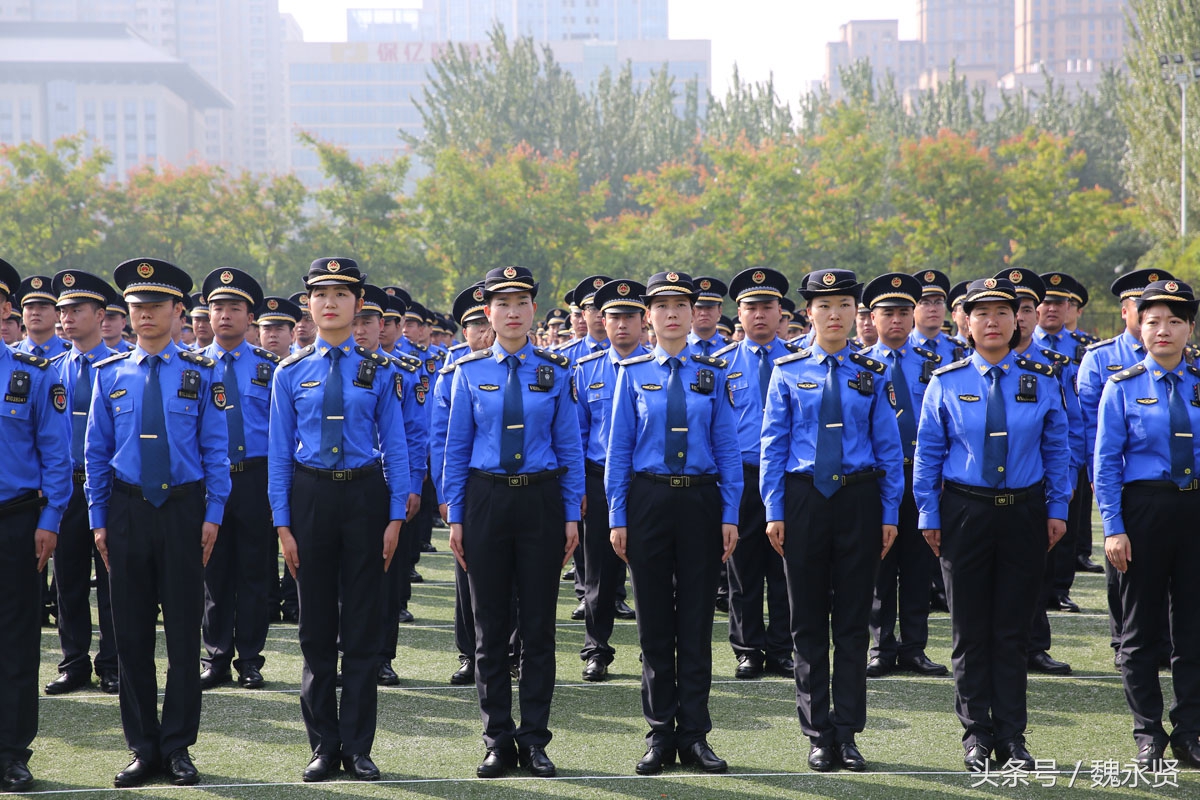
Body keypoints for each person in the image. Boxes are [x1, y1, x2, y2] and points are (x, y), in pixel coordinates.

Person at [913, 276, 1070, 773]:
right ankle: (976, 733)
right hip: (965, 512)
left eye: (1003, 312)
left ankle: (1012, 736)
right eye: (982, 314)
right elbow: (929, 455)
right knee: (969, 630)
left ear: (1017, 320)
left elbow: (1057, 450)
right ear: (966, 323)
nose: (993, 322)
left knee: (1012, 631)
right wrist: (928, 512)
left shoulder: (1041, 377)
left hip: (1024, 511)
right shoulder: (947, 380)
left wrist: (1057, 508)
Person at [86, 258, 231, 788]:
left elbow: (216, 451)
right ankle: (142, 747)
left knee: (183, 639)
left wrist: (213, 515)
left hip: (183, 510)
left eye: (155, 306)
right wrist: (99, 521)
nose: (144, 315)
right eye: (136, 307)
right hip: (125, 511)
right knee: (130, 635)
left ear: (177, 311)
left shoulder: (203, 373)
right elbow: (96, 454)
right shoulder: (110, 374)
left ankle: (177, 747)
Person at [268, 258, 408, 783]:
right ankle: (324, 745)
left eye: (341, 294)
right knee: (316, 629)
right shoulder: (290, 371)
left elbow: (395, 447)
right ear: (309, 304)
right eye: (320, 293)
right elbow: (279, 452)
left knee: (363, 630)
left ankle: (359, 746)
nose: (330, 302)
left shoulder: (380, 369)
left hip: (365, 498)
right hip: (310, 498)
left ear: (357, 305)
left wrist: (396, 516)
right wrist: (283, 524)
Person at [443, 266, 583, 779]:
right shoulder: (467, 371)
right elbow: (455, 451)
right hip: (485, 500)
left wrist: (571, 513)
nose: (513, 311)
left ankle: (535, 738)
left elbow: (569, 447)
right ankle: (497, 738)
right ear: (487, 313)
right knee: (489, 628)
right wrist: (456, 516)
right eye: (503, 303)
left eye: (522, 301)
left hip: (541, 501)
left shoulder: (555, 369)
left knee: (540, 629)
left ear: (531, 311)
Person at [760, 268, 903, 773]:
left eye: (845, 305)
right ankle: (818, 731)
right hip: (804, 500)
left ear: (855, 313)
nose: (835, 314)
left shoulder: (872, 372)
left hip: (859, 500)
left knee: (852, 623)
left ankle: (848, 732)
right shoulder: (787, 368)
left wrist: (889, 512)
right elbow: (773, 446)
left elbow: (888, 448)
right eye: (825, 305)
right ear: (809, 313)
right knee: (806, 621)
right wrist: (774, 510)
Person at [607, 271, 741, 776]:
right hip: (649, 500)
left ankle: (696, 736)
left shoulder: (714, 371)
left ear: (692, 315)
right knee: (655, 626)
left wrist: (730, 512)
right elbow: (618, 451)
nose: (670, 314)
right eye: (660, 306)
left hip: (701, 503)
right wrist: (618, 516)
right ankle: (660, 733)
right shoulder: (633, 372)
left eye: (679, 306)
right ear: (648, 317)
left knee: (696, 625)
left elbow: (728, 448)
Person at [1094, 278, 1200, 769]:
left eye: (1175, 321)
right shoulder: (1122, 386)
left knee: (1193, 630)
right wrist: (1113, 527)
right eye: (1153, 320)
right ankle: (1148, 731)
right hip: (1143, 511)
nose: (1163, 330)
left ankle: (1190, 729)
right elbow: (1105, 464)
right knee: (1139, 632)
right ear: (1139, 326)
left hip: (1195, 509)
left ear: (1190, 328)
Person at [1078, 268, 1173, 671]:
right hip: (1120, 475)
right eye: (1141, 307)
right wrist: (1097, 482)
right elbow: (1087, 426)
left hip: (1169, 482)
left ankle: (1166, 640)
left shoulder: (1184, 362)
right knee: (1124, 567)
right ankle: (1124, 638)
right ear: (1126, 311)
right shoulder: (1102, 359)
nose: (1150, 319)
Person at [0, 258, 70, 793]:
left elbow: (55, 453)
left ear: (6, 309)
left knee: (16, 641)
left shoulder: (32, 375)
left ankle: (11, 751)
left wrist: (49, 518)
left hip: (15, 521)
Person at [860, 272, 948, 679]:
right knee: (878, 564)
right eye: (887, 313)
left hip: (922, 475)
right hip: (876, 479)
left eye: (902, 312)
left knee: (917, 564)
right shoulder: (859, 366)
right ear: (872, 319)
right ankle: (881, 647)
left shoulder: (935, 365)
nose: (896, 320)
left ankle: (914, 646)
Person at [197, 268, 278, 692]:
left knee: (253, 571)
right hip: (209, 479)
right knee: (213, 570)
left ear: (250, 317)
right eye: (217, 307)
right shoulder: (192, 366)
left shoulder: (271, 367)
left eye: (234, 308)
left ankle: (250, 658)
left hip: (255, 478)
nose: (225, 315)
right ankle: (216, 657)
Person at [713, 268, 796, 681]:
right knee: (741, 567)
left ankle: (782, 648)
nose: (759, 315)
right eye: (751, 308)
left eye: (767, 307)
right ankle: (747, 649)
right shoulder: (719, 365)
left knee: (785, 566)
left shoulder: (799, 362)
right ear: (739, 314)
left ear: (781, 313)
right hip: (740, 476)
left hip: (787, 477)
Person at [46, 271, 119, 698]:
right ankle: (74, 663)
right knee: (68, 579)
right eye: (63, 311)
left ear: (100, 316)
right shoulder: (51, 370)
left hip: (110, 487)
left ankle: (111, 663)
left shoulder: (121, 367)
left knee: (113, 581)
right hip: (67, 487)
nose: (67, 319)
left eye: (76, 310)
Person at [1007, 269, 1082, 678]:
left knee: (1033, 571)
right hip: (988, 485)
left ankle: (1035, 645)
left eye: (1024, 309)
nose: (1018, 317)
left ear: (1036, 315)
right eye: (1010, 309)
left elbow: (1069, 428)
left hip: (1035, 484)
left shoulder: (1052, 365)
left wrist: (1064, 481)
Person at [574, 278, 649, 682]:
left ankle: (651, 650)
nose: (622, 324)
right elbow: (577, 435)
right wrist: (579, 491)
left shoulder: (658, 366)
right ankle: (596, 649)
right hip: (599, 479)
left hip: (648, 480)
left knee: (651, 572)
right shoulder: (587, 370)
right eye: (614, 316)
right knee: (600, 573)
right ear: (601, 320)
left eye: (630, 316)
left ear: (644, 321)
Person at [351, 284, 425, 687]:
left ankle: (382, 655)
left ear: (383, 325)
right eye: (357, 321)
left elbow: (414, 435)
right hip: (351, 483)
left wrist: (412, 485)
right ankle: (350, 651)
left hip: (390, 483)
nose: (361, 330)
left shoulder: (401, 371)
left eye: (369, 322)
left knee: (386, 573)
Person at [432, 283, 499, 686]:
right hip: (472, 489)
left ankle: (511, 650)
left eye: (484, 325)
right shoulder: (453, 371)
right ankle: (468, 652)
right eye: (474, 326)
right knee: (468, 575)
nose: (484, 333)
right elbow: (442, 440)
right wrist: (446, 496)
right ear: (465, 332)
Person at [15, 276, 71, 357]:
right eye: (30, 307)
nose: (35, 313)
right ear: (22, 315)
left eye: (43, 307)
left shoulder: (70, 354)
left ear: (57, 315)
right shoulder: (12, 354)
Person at [688, 276, 727, 355]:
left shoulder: (732, 348)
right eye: (699, 307)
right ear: (691, 310)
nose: (704, 313)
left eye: (709, 308)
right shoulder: (679, 347)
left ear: (719, 311)